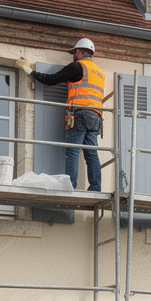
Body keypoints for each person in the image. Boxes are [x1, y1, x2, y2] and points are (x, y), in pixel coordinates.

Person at [30, 38, 105, 191]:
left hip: (79, 113)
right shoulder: (99, 73)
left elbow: (52, 80)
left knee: (72, 151)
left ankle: (71, 186)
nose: (73, 55)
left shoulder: (78, 67)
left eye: (74, 52)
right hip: (96, 116)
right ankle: (96, 187)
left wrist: (32, 73)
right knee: (91, 154)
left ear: (79, 52)